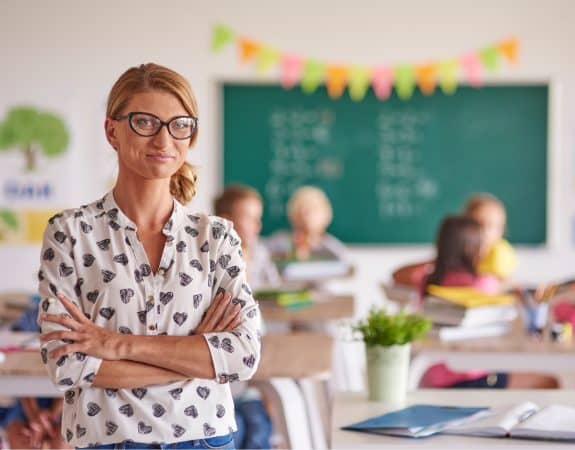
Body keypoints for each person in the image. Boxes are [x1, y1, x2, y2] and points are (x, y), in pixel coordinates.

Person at [37, 63, 261, 450]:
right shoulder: (70, 232)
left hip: (206, 440)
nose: (163, 139)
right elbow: (66, 363)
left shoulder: (217, 237)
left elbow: (241, 356)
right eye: (145, 122)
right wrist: (194, 358)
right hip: (107, 442)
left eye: (179, 125)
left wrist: (115, 345)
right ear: (112, 131)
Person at [419, 215, 558, 389]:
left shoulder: (427, 280)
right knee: (550, 381)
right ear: (473, 249)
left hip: (432, 377)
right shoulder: (484, 283)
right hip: (473, 376)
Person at [214, 185, 277, 449]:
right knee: (236, 431)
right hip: (224, 384)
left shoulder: (260, 254)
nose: (256, 225)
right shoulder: (213, 255)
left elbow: (275, 289)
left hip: (250, 380)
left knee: (259, 427)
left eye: (257, 218)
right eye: (249, 217)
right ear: (227, 219)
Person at [392, 193, 517, 289]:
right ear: (462, 226)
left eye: (491, 226)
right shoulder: (448, 267)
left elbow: (504, 285)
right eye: (477, 224)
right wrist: (439, 260)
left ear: (501, 231)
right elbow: (399, 276)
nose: (483, 232)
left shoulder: (499, 260)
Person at [4, 304, 69, 449]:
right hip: (30, 397)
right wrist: (42, 417)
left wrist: (40, 417)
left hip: (64, 400)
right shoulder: (30, 319)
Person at [266, 185, 347, 262]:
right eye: (301, 209)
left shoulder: (332, 247)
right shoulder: (278, 242)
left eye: (313, 209)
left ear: (325, 215)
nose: (306, 215)